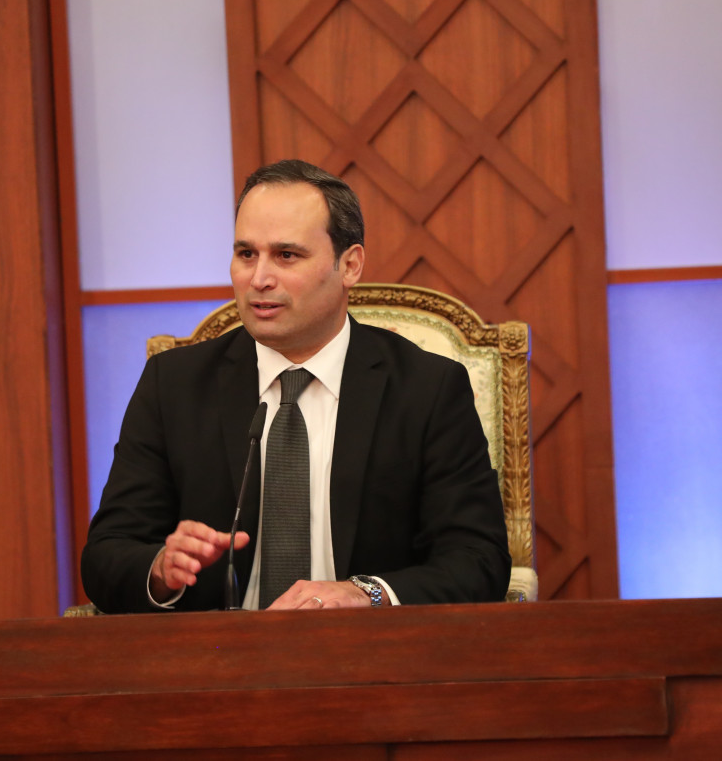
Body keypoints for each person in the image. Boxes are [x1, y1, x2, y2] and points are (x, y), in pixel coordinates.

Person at [80, 159, 510, 612]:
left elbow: (478, 560)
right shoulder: (174, 385)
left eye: (286, 255)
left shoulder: (427, 389)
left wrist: (365, 592)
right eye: (246, 254)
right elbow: (107, 554)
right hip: (219, 648)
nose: (259, 279)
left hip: (366, 648)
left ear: (350, 265)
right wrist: (161, 570)